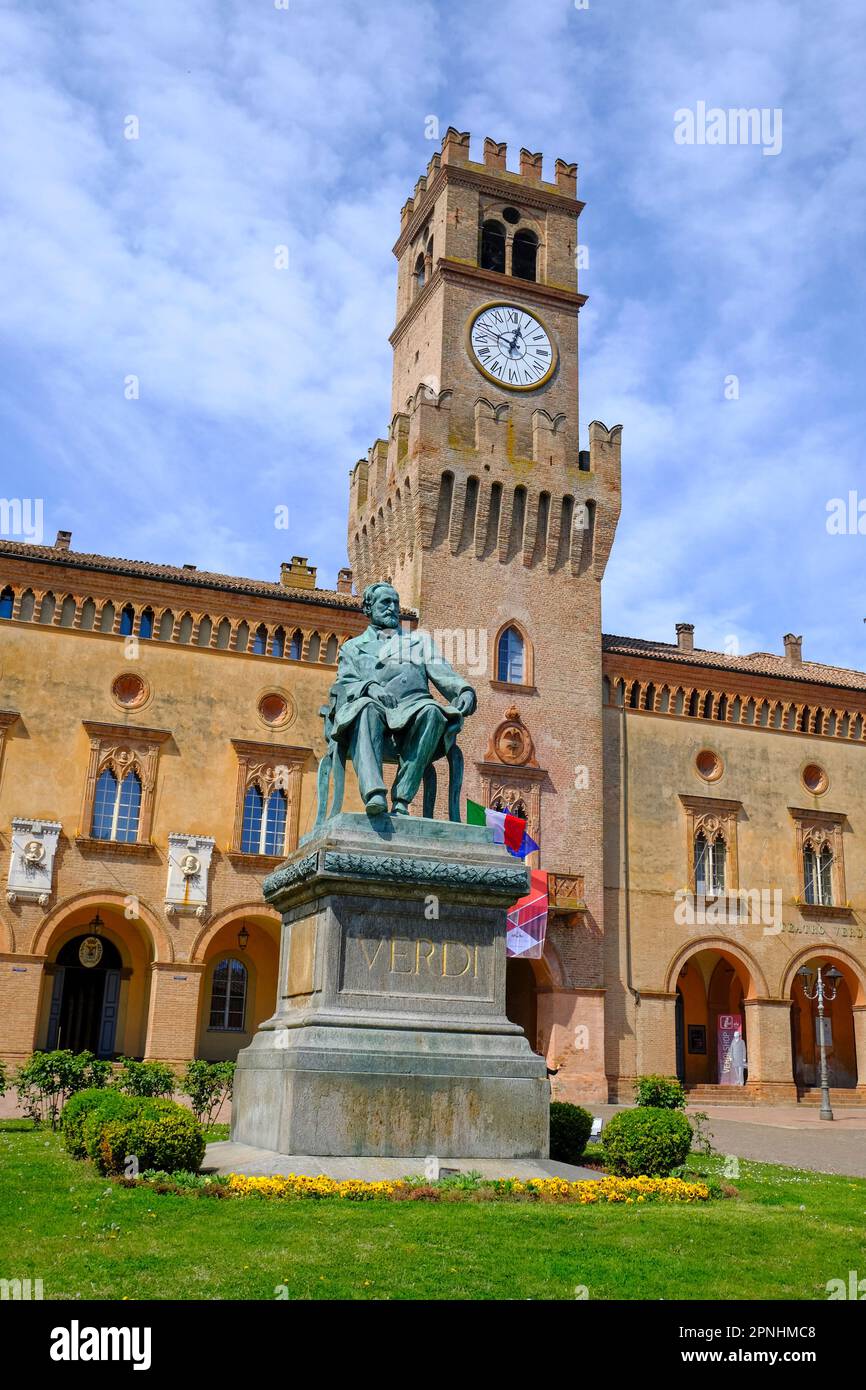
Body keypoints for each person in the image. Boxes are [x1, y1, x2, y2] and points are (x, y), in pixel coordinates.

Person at [328, 581, 476, 816]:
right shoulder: (353, 648)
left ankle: (402, 798)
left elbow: (444, 673)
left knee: (433, 711)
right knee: (364, 708)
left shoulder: (419, 643)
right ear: (369, 609)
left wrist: (464, 691)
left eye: (396, 603)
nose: (392, 607)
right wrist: (369, 687)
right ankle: (374, 793)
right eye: (386, 602)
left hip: (413, 706)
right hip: (373, 707)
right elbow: (344, 684)